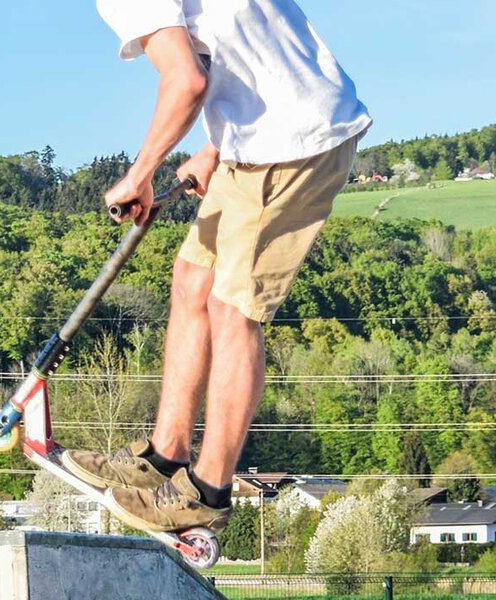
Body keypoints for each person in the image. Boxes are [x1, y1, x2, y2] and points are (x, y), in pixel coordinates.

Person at [63, 0, 371, 535]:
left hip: (291, 145)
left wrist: (140, 175)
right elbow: (252, 47)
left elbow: (186, 81)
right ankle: (164, 455)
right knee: (193, 280)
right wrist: (214, 145)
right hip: (261, 133)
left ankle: (207, 491)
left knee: (232, 309)